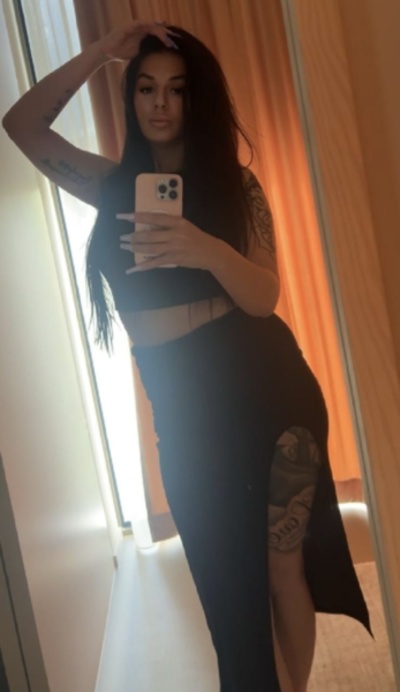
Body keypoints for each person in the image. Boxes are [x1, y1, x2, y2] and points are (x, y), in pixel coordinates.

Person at [3, 21, 371, 692]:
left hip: (268, 394)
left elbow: (264, 296)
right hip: (183, 413)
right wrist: (100, 54)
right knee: (228, 592)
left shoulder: (236, 188)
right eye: (146, 88)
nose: (161, 103)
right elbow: (21, 126)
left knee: (281, 569)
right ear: (132, 98)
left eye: (176, 89)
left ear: (197, 100)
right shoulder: (111, 186)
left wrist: (203, 248)